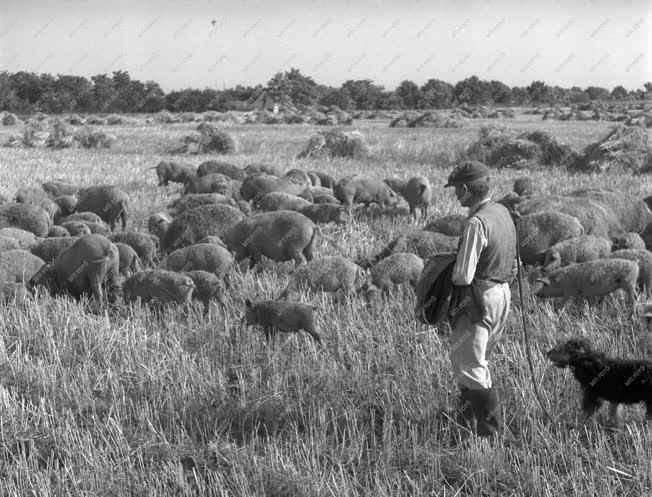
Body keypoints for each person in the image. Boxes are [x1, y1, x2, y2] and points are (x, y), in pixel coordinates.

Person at [444, 160, 517, 438]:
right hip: (502, 294)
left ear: (464, 189)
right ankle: (464, 423)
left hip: (478, 299)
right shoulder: (501, 211)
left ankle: (489, 434)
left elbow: (462, 275)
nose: (454, 195)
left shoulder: (476, 221)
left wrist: (440, 277)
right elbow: (514, 262)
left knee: (470, 364)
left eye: (455, 190)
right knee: (478, 360)